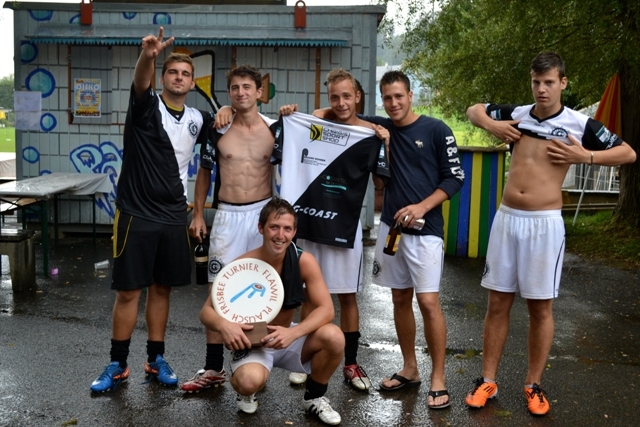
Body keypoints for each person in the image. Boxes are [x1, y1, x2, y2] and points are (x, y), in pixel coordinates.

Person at [464, 52, 636, 416]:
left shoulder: (580, 124)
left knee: (540, 307)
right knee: (497, 303)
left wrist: (586, 156)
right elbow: (474, 109)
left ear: (563, 83)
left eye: (549, 82)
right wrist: (494, 126)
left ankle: (533, 385)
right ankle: (487, 381)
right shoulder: (519, 114)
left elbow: (628, 153)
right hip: (507, 219)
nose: (542, 89)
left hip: (544, 224)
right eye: (536, 82)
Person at [323, 70, 463, 409]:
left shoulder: (436, 129)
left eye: (399, 96)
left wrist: (422, 207)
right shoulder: (378, 127)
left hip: (426, 232)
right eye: (387, 98)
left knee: (428, 303)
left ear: (410, 95)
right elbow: (331, 114)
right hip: (391, 231)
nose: (394, 103)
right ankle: (410, 368)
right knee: (400, 298)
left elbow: (455, 178)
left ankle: (438, 379)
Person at [90, 28, 212, 392]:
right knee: (129, 292)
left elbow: (223, 143)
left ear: (192, 82)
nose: (179, 77)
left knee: (162, 289)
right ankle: (117, 363)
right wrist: (148, 55)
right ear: (162, 78)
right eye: (172, 72)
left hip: (174, 214)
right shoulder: (146, 106)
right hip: (136, 211)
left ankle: (155, 359)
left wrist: (198, 212)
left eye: (185, 74)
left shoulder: (199, 118)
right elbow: (141, 80)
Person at [276, 68, 390, 392]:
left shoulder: (370, 133)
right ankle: (304, 359)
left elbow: (380, 182)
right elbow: (310, 121)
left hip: (345, 227)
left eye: (346, 96)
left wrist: (385, 143)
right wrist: (291, 114)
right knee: (309, 295)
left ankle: (351, 364)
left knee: (347, 296)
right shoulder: (317, 122)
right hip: (311, 223)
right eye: (334, 97)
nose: (341, 103)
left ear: (358, 97)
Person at [199, 197, 344, 425]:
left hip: (286, 336)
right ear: (261, 228)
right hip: (253, 341)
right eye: (274, 227)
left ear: (294, 231)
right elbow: (206, 312)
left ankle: (314, 397)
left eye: (287, 229)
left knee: (334, 337)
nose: (280, 235)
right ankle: (245, 385)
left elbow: (327, 309)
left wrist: (294, 333)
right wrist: (224, 325)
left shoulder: (303, 261)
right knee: (248, 382)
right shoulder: (243, 263)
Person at [181, 65, 279, 393]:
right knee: (218, 291)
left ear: (259, 92)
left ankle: (254, 362)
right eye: (235, 88)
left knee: (260, 287)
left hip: (261, 215)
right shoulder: (218, 128)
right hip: (227, 215)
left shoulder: (276, 129)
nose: (241, 93)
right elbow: (205, 173)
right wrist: (198, 215)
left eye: (247, 87)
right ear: (229, 93)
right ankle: (213, 367)